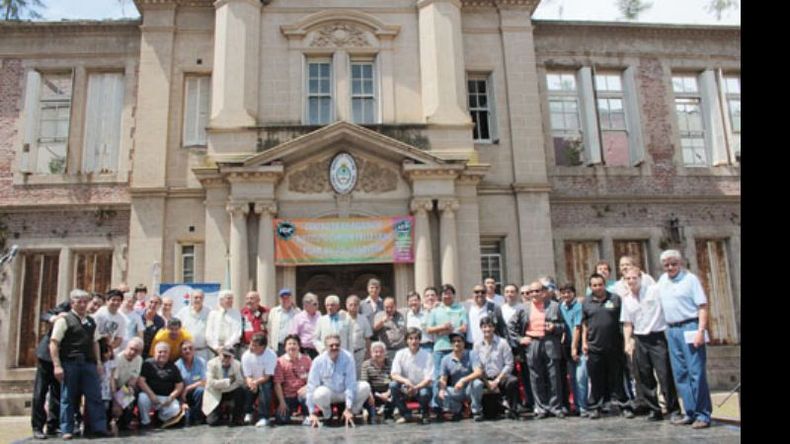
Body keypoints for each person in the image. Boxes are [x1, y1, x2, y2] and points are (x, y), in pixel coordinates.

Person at [655, 250, 713, 429]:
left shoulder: (690, 280)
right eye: (666, 265)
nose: (670, 267)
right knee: (680, 373)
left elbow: (702, 306)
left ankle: (703, 414)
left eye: (673, 264)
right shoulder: (662, 281)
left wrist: (700, 330)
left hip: (690, 326)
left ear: (680, 263)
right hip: (672, 329)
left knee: (696, 372)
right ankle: (690, 412)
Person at [620, 267, 681, 421]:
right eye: (628, 278)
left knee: (664, 374)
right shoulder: (627, 299)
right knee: (644, 376)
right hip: (640, 339)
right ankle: (654, 409)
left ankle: (673, 409)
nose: (631, 281)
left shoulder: (654, 291)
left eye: (634, 278)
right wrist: (627, 342)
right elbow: (627, 323)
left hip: (657, 337)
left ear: (641, 278)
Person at [49, 289, 109, 439]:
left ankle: (99, 427)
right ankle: (67, 429)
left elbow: (95, 342)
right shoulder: (64, 320)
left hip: (88, 363)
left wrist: (98, 362)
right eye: (79, 302)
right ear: (72, 303)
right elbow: (54, 343)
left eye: (85, 302)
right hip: (70, 363)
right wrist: (57, 365)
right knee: (68, 397)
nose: (82, 305)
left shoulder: (91, 321)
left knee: (95, 396)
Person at [509, 281, 565, 419]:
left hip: (549, 341)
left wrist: (554, 327)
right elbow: (511, 325)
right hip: (532, 343)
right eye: (531, 292)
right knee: (536, 376)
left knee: (553, 376)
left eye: (537, 291)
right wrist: (520, 339)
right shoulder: (523, 308)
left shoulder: (554, 306)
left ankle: (555, 407)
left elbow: (563, 326)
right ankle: (541, 408)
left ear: (544, 292)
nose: (534, 294)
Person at [582, 273, 634, 420]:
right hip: (594, 347)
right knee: (596, 379)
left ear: (604, 285)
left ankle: (624, 405)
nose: (598, 287)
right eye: (594, 285)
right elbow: (584, 324)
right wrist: (584, 342)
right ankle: (595, 407)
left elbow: (624, 321)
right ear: (590, 287)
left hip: (614, 346)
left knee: (618, 378)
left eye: (600, 284)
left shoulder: (615, 299)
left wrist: (627, 341)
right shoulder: (586, 302)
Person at [305, 333, 371, 428]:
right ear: (326, 347)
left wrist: (348, 407)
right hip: (329, 394)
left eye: (337, 345)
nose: (334, 347)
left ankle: (351, 412)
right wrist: (311, 413)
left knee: (365, 386)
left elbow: (350, 383)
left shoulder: (348, 357)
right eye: (331, 345)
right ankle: (327, 414)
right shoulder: (318, 361)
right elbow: (311, 386)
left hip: (344, 392)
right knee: (319, 393)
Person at [425, 284, 468, 415]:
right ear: (440, 296)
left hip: (456, 348)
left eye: (449, 293)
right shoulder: (435, 310)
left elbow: (464, 327)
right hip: (440, 347)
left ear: (453, 295)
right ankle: (436, 405)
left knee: (458, 376)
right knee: (438, 377)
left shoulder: (460, 308)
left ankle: (458, 405)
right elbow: (429, 329)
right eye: (444, 293)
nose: (447, 296)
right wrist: (443, 327)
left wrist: (453, 331)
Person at [31, 299, 70, 439]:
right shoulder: (68, 306)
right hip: (47, 357)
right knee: (40, 392)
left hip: (63, 358)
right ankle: (37, 427)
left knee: (57, 393)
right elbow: (45, 314)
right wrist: (53, 317)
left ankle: (53, 426)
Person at [474, 317, 520, 420]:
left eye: (490, 326)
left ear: (494, 328)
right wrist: (487, 382)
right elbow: (477, 366)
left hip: (500, 376)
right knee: (490, 414)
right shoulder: (477, 345)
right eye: (484, 327)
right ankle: (478, 411)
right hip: (484, 378)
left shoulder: (503, 343)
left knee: (513, 381)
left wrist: (497, 380)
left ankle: (513, 410)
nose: (487, 329)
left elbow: (509, 364)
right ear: (481, 328)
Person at [390, 327, 434, 424]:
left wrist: (415, 388)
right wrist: (406, 381)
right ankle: (405, 414)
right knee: (393, 385)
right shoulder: (400, 354)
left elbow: (428, 379)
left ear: (420, 340)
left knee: (424, 393)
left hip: (421, 387)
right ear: (406, 340)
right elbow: (394, 374)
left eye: (416, 338)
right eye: (410, 338)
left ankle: (424, 413)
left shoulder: (427, 355)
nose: (413, 341)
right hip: (405, 387)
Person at [137, 342, 186, 429]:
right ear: (154, 352)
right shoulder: (147, 363)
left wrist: (171, 397)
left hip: (166, 398)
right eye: (160, 352)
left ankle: (160, 418)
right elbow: (141, 381)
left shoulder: (173, 366)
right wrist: (152, 395)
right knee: (142, 398)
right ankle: (146, 421)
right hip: (150, 396)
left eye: (165, 352)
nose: (162, 354)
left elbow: (179, 385)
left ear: (169, 354)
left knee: (175, 408)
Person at [438, 332, 484, 421]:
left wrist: (463, 380)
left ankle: (476, 411)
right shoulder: (445, 359)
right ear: (451, 344)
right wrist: (442, 389)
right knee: (442, 392)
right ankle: (459, 410)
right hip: (457, 390)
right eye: (453, 341)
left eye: (459, 341)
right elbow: (443, 379)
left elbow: (479, 372)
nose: (456, 343)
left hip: (470, 389)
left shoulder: (472, 354)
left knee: (478, 383)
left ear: (464, 343)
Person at [560, 283, 588, 417]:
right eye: (564, 293)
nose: (566, 295)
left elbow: (577, 328)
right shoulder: (561, 306)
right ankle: (576, 406)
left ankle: (583, 406)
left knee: (580, 377)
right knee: (572, 378)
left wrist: (574, 348)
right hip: (566, 346)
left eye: (569, 292)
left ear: (574, 293)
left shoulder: (578, 306)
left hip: (578, 346)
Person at [202, 346, 246, 427]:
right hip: (215, 393)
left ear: (233, 357)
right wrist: (228, 381)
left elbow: (240, 381)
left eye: (229, 357)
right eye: (225, 356)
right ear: (220, 354)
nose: (226, 359)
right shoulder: (211, 364)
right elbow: (210, 383)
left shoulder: (237, 364)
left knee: (241, 390)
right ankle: (224, 416)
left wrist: (224, 386)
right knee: (212, 422)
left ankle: (237, 417)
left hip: (229, 391)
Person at [273, 335, 312, 425]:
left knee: (306, 396)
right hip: (288, 396)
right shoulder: (280, 362)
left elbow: (313, 379)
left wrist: (306, 387)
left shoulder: (307, 360)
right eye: (289, 344)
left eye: (294, 344)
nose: (292, 346)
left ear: (299, 346)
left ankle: (308, 415)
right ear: (285, 347)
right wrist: (282, 402)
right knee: (281, 420)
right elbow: (277, 384)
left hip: (302, 393)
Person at [241, 332, 277, 427]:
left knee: (265, 387)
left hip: (265, 380)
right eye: (251, 344)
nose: (251, 347)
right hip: (252, 379)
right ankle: (248, 412)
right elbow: (247, 375)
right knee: (244, 387)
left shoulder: (271, 355)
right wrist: (251, 382)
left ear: (263, 347)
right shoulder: (246, 355)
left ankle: (264, 417)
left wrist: (256, 382)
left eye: (255, 346)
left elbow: (267, 376)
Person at [111, 337, 144, 431]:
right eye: (131, 349)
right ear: (127, 347)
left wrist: (129, 388)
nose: (133, 352)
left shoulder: (139, 360)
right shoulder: (118, 358)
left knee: (132, 392)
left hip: (126, 386)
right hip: (114, 386)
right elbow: (113, 380)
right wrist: (117, 400)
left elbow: (134, 377)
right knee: (124, 397)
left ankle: (125, 422)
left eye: (136, 351)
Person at [174, 339, 207, 426]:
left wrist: (188, 388)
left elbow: (204, 381)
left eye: (190, 348)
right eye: (184, 349)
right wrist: (182, 402)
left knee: (200, 390)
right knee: (187, 420)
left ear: (194, 350)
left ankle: (198, 418)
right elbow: (176, 386)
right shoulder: (177, 365)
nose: (187, 351)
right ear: (181, 352)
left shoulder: (201, 362)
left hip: (196, 393)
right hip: (182, 395)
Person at [465, 284, 507, 348]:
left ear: (486, 293)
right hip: (470, 345)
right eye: (477, 292)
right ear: (473, 294)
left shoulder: (494, 307)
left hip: (488, 345)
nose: (480, 294)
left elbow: (501, 327)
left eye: (483, 292)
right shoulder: (466, 307)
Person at [360, 341, 393, 424]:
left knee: (396, 387)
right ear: (371, 353)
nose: (378, 354)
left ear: (385, 353)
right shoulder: (366, 365)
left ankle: (389, 413)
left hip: (387, 392)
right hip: (373, 393)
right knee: (364, 389)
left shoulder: (390, 363)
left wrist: (388, 393)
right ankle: (370, 413)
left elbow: (393, 380)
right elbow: (365, 382)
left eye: (381, 352)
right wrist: (373, 395)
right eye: (376, 352)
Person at [176, 289, 212, 362]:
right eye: (196, 297)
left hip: (203, 352)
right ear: (191, 298)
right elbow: (175, 325)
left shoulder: (209, 312)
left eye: (200, 297)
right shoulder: (183, 311)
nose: (198, 299)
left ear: (203, 299)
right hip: (187, 352)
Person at [205, 290, 242, 358]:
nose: (231, 301)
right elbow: (209, 332)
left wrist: (226, 346)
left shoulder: (236, 313)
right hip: (214, 349)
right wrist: (216, 347)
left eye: (232, 299)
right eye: (228, 298)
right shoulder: (213, 313)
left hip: (231, 349)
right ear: (221, 300)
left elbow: (237, 332)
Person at [345, 294, 373, 377]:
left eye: (355, 305)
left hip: (360, 354)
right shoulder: (341, 318)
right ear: (346, 305)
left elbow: (367, 338)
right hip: (345, 354)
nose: (353, 307)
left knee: (360, 378)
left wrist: (368, 354)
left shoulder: (363, 319)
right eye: (351, 305)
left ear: (358, 306)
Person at [268, 288, 301, 355]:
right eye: (283, 298)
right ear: (279, 299)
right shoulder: (274, 311)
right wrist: (270, 345)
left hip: (292, 345)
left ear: (291, 299)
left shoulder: (297, 312)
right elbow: (269, 329)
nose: (285, 300)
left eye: (287, 298)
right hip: (278, 346)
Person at [94, 289, 128, 355]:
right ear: (107, 301)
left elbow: (119, 338)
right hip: (95, 345)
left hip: (107, 349)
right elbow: (93, 332)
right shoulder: (100, 312)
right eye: (113, 300)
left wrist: (109, 349)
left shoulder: (121, 319)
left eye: (118, 300)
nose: (116, 302)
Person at [373, 297, 407, 361]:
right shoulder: (379, 315)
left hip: (402, 350)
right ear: (383, 307)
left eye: (391, 307)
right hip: (387, 351)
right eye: (387, 307)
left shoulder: (403, 313)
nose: (389, 309)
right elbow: (375, 328)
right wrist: (382, 321)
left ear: (395, 306)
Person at [290, 292, 321, 359]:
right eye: (315, 304)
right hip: (305, 350)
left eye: (317, 303)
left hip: (318, 349)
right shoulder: (298, 317)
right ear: (306, 305)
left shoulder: (319, 315)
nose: (317, 306)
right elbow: (294, 336)